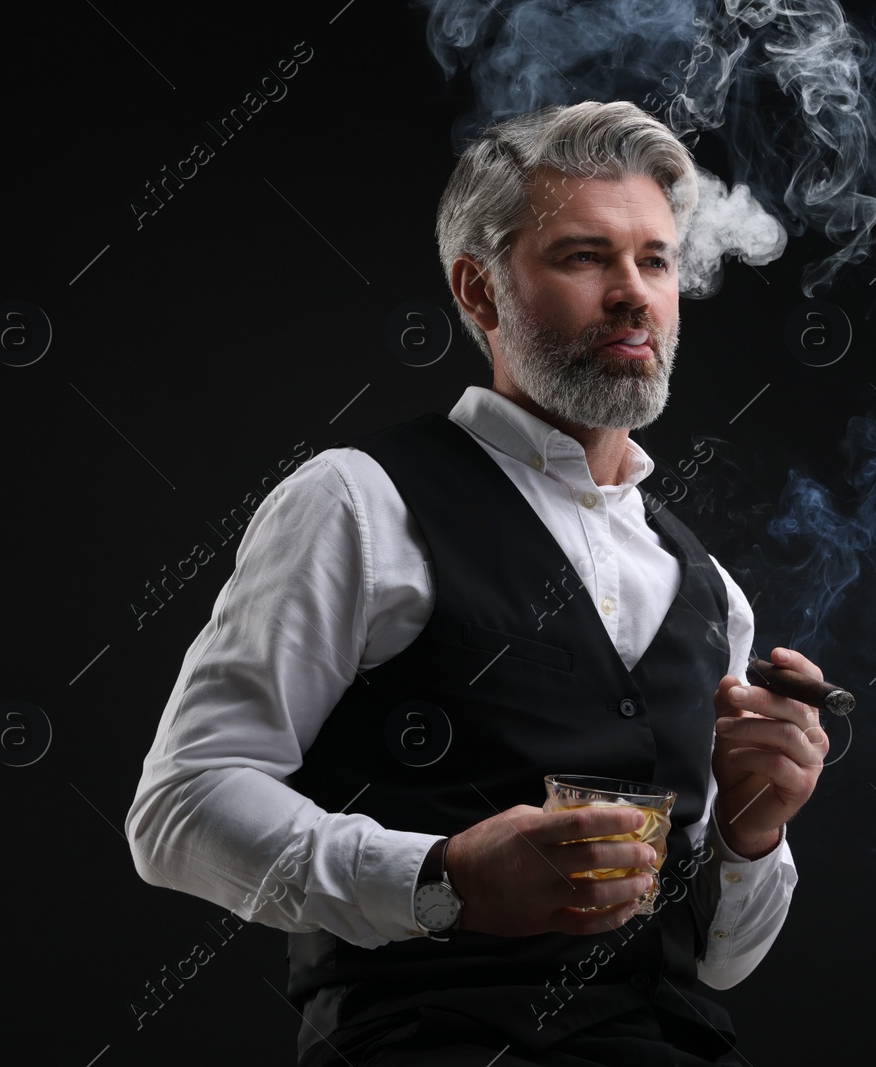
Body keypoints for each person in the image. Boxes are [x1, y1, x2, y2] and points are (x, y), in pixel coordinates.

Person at [125, 99, 831, 1066]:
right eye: (585, 256)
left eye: (655, 260)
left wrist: (754, 835)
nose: (633, 293)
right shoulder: (358, 502)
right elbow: (181, 805)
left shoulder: (711, 592)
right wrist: (440, 877)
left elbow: (715, 965)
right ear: (481, 289)